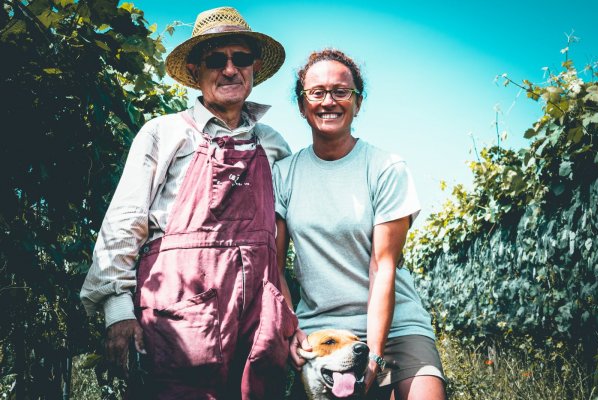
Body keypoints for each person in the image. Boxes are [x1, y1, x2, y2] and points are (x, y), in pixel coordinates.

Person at [80, 7, 297, 399]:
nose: (230, 70)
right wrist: (117, 311)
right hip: (180, 320)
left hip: (258, 328)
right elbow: (123, 222)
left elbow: (288, 237)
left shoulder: (275, 145)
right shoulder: (165, 133)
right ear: (196, 71)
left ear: (254, 66)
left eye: (240, 58)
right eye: (216, 60)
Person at [274, 48, 447, 400]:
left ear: (358, 102)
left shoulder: (385, 168)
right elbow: (274, 266)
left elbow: (382, 267)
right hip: (322, 332)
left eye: (341, 91)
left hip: (396, 326)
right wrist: (293, 329)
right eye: (317, 92)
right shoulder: (284, 174)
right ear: (301, 103)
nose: (329, 101)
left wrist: (376, 355)